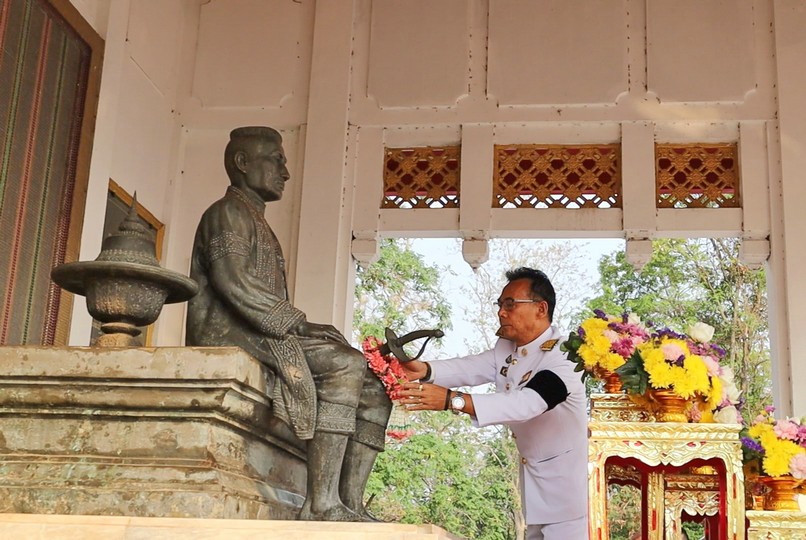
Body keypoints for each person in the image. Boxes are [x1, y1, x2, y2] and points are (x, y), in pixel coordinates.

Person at [185, 126, 392, 522]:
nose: (285, 172)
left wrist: (300, 326)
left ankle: (348, 501)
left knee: (375, 393)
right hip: (231, 331)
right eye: (276, 160)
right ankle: (321, 502)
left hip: (263, 328)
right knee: (345, 363)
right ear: (243, 163)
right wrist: (299, 324)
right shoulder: (226, 213)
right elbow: (233, 281)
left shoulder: (254, 218)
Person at [398, 267, 588, 539]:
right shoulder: (508, 350)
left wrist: (455, 401)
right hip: (534, 489)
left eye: (511, 304)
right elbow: (471, 367)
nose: (501, 311)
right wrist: (425, 370)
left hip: (569, 497)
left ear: (541, 308)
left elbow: (528, 404)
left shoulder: (566, 355)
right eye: (500, 304)